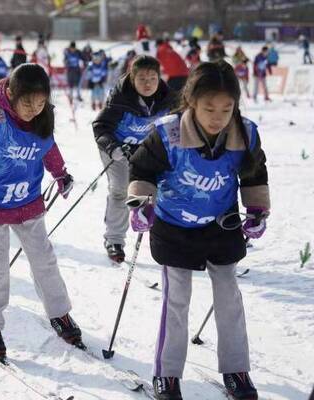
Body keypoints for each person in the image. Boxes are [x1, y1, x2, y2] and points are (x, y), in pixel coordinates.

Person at [127, 60, 269, 400]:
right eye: (208, 108)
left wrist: (257, 211)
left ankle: (236, 369)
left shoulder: (244, 133)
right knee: (177, 301)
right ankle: (168, 373)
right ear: (191, 101)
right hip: (175, 226)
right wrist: (141, 205)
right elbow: (142, 169)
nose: (218, 116)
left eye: (226, 108)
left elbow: (254, 174)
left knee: (229, 297)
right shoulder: (167, 133)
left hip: (220, 226)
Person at [0, 64, 82, 362]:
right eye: (27, 102)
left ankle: (60, 314)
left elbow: (47, 146)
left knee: (44, 260)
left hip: (27, 201)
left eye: (40, 102)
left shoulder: (41, 116)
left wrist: (60, 174)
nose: (34, 109)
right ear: (10, 94)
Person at [92, 55, 174, 263]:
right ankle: (115, 240)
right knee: (120, 189)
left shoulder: (168, 97)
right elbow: (100, 127)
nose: (148, 84)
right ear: (131, 78)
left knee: (155, 190)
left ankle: (163, 236)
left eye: (152, 78)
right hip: (118, 148)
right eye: (142, 79)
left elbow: (179, 121)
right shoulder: (120, 99)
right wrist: (112, 148)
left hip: (145, 149)